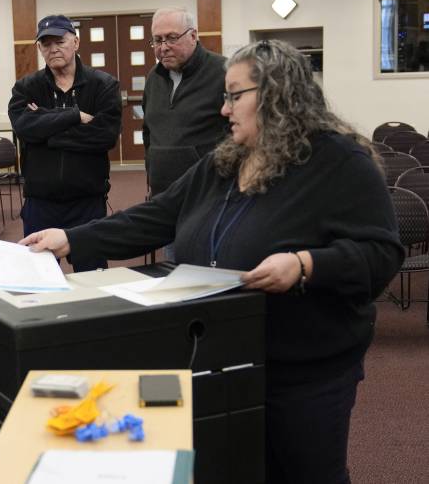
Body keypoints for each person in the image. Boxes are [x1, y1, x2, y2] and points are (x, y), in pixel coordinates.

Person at [21, 40, 404, 483]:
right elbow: (158, 215)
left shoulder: (338, 161)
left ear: (279, 93)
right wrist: (72, 238)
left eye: (234, 95)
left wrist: (305, 265)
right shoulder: (226, 161)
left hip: (304, 369)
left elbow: (381, 254)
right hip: (227, 355)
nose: (224, 110)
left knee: (304, 472)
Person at [8, 14, 121, 272]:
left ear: (76, 42)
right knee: (39, 281)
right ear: (39, 48)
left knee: (92, 279)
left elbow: (105, 136)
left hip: (87, 203)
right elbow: (24, 128)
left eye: (59, 41)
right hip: (40, 204)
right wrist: (73, 116)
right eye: (46, 44)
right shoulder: (27, 87)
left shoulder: (103, 85)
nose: (53, 48)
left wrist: (46, 132)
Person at [142, 7, 227, 197]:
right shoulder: (153, 78)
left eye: (172, 38)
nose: (163, 47)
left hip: (207, 193)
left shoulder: (223, 72)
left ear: (193, 36)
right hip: (161, 195)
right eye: (157, 40)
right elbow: (149, 132)